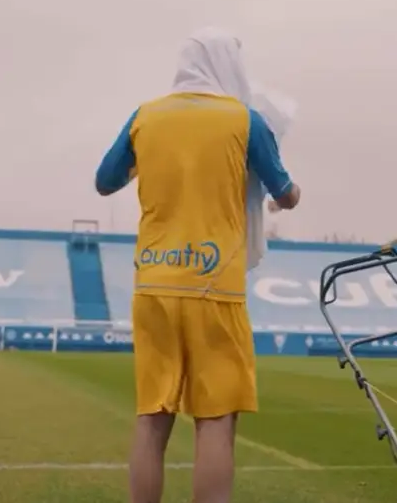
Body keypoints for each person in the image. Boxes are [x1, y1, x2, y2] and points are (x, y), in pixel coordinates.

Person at [94, 29, 301, 503]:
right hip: (215, 287)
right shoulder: (244, 120)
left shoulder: (145, 116)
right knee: (216, 419)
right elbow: (284, 192)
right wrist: (289, 196)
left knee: (152, 416)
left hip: (153, 283)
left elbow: (105, 182)